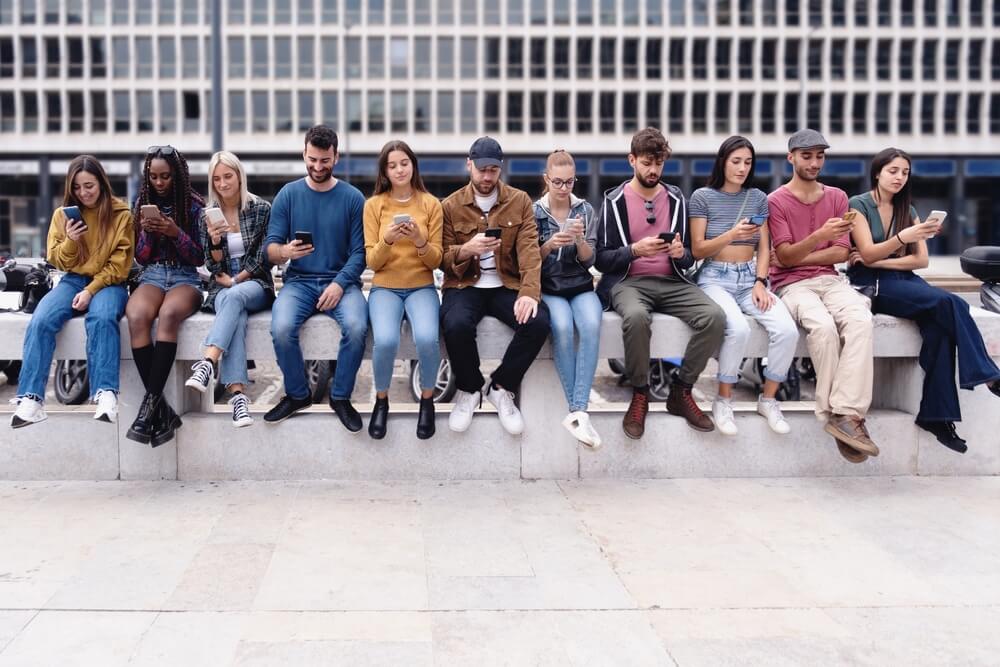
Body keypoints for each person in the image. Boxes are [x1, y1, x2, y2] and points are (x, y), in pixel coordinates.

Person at [848, 148, 1000, 453]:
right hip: (872, 285)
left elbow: (920, 261)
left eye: (905, 172)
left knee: (940, 330)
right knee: (951, 304)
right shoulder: (857, 205)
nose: (899, 177)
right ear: (877, 172)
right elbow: (865, 252)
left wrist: (880, 259)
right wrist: (901, 241)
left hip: (899, 279)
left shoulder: (909, 210)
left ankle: (937, 417)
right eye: (893, 171)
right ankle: (988, 375)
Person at [594, 127, 726, 439]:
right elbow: (600, 259)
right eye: (646, 163)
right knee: (637, 318)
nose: (653, 170)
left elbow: (689, 259)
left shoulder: (677, 198)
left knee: (714, 317)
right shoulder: (613, 201)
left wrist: (681, 254)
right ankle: (640, 394)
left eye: (659, 164)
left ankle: (681, 390)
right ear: (632, 160)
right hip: (629, 282)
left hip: (673, 281)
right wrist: (633, 251)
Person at [768, 129, 877, 463]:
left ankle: (846, 414)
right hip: (791, 285)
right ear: (791, 158)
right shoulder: (776, 201)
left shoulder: (838, 197)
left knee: (861, 320)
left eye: (819, 156)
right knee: (824, 329)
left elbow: (840, 254)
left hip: (831, 281)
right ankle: (835, 416)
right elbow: (783, 260)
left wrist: (800, 252)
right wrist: (820, 238)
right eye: (807, 156)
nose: (814, 162)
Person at [10, 156, 133, 428]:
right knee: (41, 319)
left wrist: (91, 290)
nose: (83, 193)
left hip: (109, 283)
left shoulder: (121, 213)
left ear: (101, 182)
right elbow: (57, 260)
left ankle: (106, 394)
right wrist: (71, 240)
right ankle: (31, 399)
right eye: (77, 187)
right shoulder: (62, 215)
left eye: (89, 185)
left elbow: (120, 265)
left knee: (101, 318)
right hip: (72, 280)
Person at [689, 136, 799, 436]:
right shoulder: (702, 197)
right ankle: (723, 400)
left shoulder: (758, 198)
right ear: (723, 161)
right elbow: (698, 249)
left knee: (786, 330)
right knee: (737, 328)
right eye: (736, 161)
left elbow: (765, 247)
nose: (741, 168)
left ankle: (769, 399)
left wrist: (761, 282)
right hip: (714, 278)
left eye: (747, 162)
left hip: (749, 278)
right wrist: (732, 233)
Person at [440, 136, 549, 435]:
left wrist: (529, 293)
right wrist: (467, 250)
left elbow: (529, 252)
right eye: (481, 169)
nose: (487, 176)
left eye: (493, 170)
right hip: (464, 285)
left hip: (506, 284)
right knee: (455, 324)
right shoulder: (450, 206)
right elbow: (442, 259)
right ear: (469, 165)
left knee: (538, 322)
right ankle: (470, 388)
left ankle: (500, 387)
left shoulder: (519, 201)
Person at [263, 125, 368, 431]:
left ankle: (340, 397)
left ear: (336, 157)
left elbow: (360, 254)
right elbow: (270, 249)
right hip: (299, 283)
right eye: (312, 159)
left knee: (357, 326)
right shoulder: (288, 194)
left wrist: (339, 283)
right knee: (281, 328)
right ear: (304, 154)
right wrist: (286, 251)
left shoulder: (352, 198)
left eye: (324, 160)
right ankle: (297, 394)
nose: (318, 166)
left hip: (342, 282)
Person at [184, 151, 274, 428]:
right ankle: (238, 399)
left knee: (235, 297)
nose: (223, 184)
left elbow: (263, 257)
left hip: (255, 283)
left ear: (239, 176)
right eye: (217, 179)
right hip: (223, 286)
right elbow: (212, 265)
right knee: (237, 313)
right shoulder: (206, 216)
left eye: (228, 176)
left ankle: (208, 362)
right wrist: (213, 243)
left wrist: (238, 279)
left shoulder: (260, 209)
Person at [125, 145, 205, 447]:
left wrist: (175, 232)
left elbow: (199, 258)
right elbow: (142, 258)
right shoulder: (141, 204)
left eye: (165, 177)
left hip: (185, 277)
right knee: (137, 315)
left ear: (178, 176)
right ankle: (161, 410)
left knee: (169, 315)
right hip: (154, 274)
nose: (159, 183)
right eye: (154, 177)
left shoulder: (195, 206)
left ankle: (148, 410)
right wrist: (148, 233)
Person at [363, 140, 443, 440]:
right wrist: (389, 240)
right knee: (384, 341)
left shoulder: (431, 204)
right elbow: (372, 261)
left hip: (421, 285)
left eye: (404, 163)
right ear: (384, 170)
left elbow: (437, 260)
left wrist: (421, 240)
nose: (399, 169)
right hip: (385, 287)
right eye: (392, 165)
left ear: (413, 165)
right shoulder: (373, 205)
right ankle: (381, 401)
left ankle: (427, 400)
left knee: (427, 339)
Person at [533, 149, 602, 449]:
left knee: (591, 325)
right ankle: (579, 412)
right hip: (549, 286)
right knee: (560, 327)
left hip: (580, 283)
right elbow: (528, 261)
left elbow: (590, 261)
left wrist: (579, 241)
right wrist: (548, 245)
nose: (563, 189)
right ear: (546, 179)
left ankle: (578, 412)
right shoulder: (534, 211)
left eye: (569, 182)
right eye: (557, 182)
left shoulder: (585, 210)